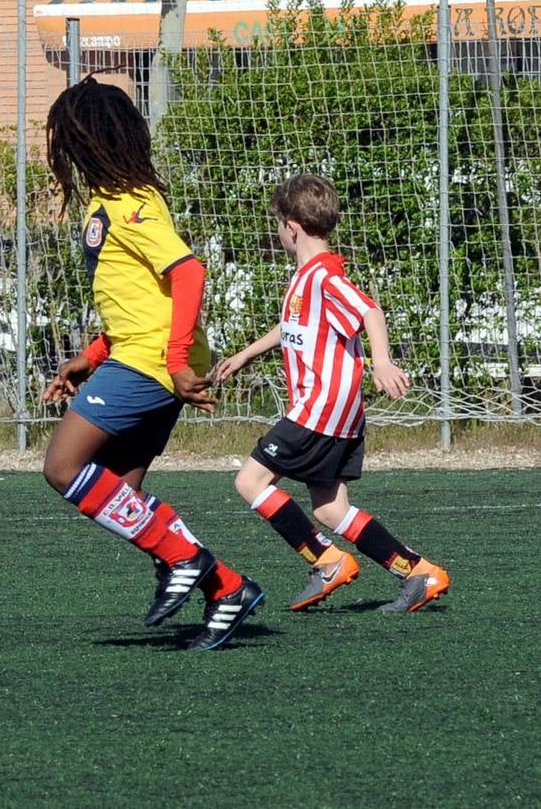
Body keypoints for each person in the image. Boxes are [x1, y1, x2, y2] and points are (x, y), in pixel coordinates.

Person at [39, 76, 263, 651]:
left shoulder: (131, 203)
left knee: (63, 468)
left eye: (65, 138)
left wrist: (175, 360)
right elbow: (137, 302)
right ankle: (227, 588)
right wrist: (88, 357)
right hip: (136, 356)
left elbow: (188, 273)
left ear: (86, 141)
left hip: (153, 364)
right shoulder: (108, 201)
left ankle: (186, 558)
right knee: (118, 490)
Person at [212, 173, 449, 613]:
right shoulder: (308, 279)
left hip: (320, 408)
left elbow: (369, 311)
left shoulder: (323, 276)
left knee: (249, 481)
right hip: (339, 413)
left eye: (277, 224)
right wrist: (246, 353)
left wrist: (381, 361)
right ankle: (418, 572)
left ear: (291, 226)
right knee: (330, 510)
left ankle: (326, 560)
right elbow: (292, 328)